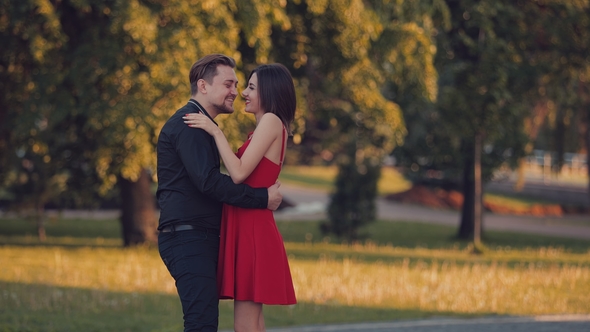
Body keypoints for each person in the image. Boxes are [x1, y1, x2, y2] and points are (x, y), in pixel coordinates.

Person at [156, 54, 283, 332]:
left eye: (239, 85)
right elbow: (210, 183)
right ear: (203, 86)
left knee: (206, 322)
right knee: (201, 323)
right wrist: (262, 198)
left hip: (198, 236)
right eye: (229, 84)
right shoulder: (189, 124)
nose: (236, 92)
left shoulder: (201, 125)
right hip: (187, 237)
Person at [183, 63, 297, 332]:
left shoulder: (271, 121)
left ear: (269, 93)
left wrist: (214, 130)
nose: (243, 92)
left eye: (252, 87)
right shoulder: (268, 126)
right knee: (253, 324)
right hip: (249, 227)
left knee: (244, 325)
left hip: (253, 230)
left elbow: (238, 173)